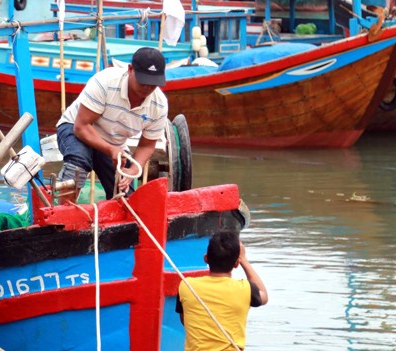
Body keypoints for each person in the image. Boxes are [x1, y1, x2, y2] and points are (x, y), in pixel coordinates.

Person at [55, 46, 168, 201]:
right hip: (75, 129)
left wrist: (134, 169)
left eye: (153, 84)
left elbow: (147, 145)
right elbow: (81, 127)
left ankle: (117, 219)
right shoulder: (105, 82)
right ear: (130, 69)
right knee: (78, 163)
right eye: (143, 82)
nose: (148, 88)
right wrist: (111, 150)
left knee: (122, 188)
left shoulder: (159, 105)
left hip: (113, 143)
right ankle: (64, 214)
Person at [176, 231, 268, 351]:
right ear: (236, 264)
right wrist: (244, 260)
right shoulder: (245, 289)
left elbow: (185, 320)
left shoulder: (187, 286)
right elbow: (264, 294)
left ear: (206, 259)